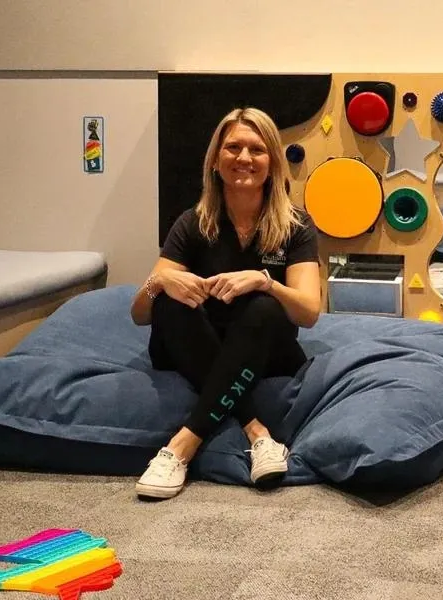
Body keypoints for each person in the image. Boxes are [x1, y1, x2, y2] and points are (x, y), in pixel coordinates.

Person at [129, 107, 322, 499]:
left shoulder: (296, 226)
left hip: (265, 347)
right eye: (233, 147)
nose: (244, 159)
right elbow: (139, 314)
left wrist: (267, 283)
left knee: (265, 307)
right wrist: (159, 281)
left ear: (272, 162)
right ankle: (258, 431)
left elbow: (309, 313)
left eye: (257, 149)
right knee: (168, 303)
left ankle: (182, 445)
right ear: (216, 160)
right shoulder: (192, 222)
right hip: (201, 344)